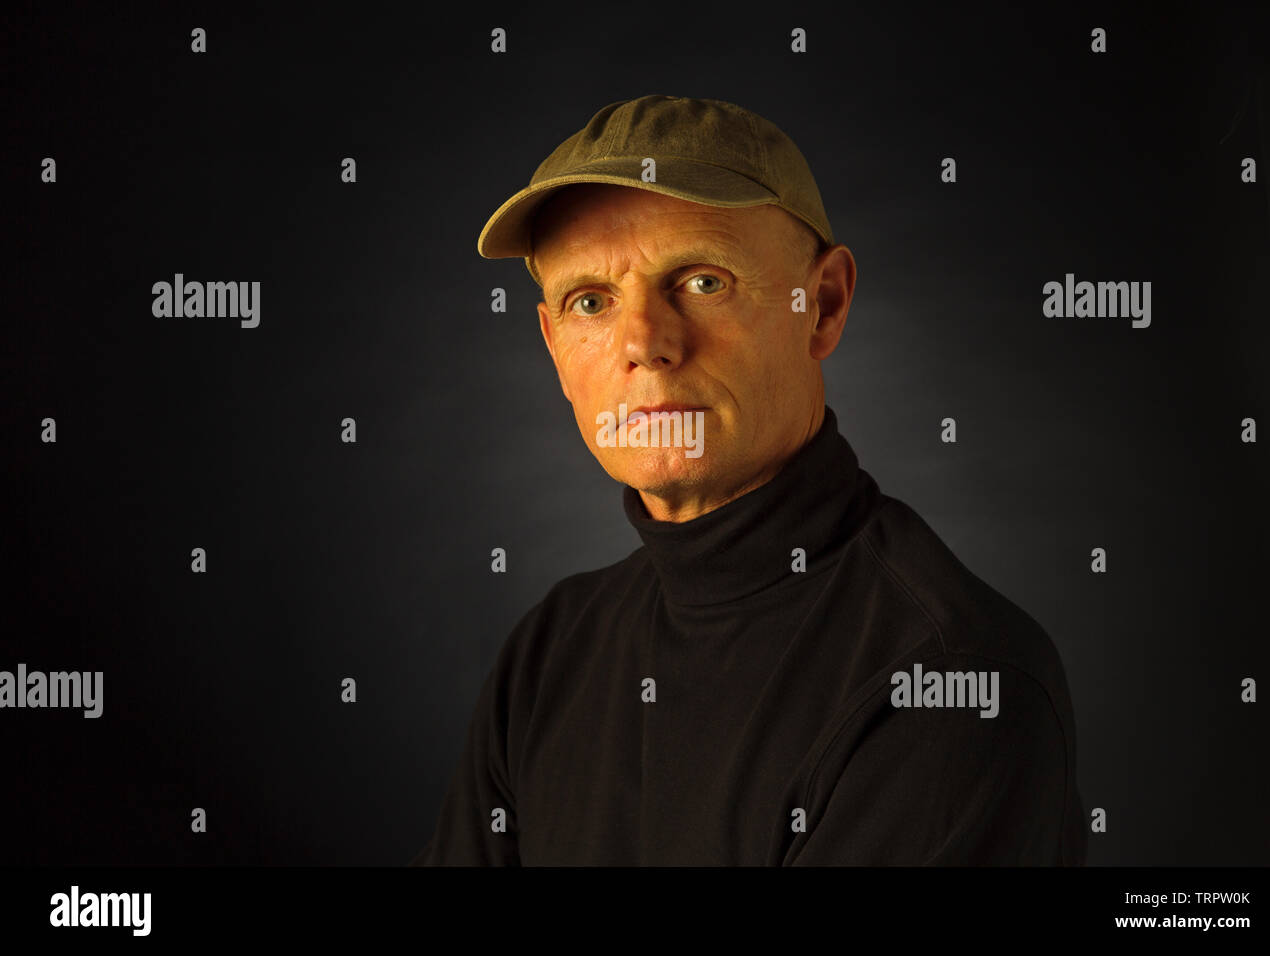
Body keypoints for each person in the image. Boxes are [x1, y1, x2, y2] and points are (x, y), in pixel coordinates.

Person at [411, 94, 1088, 865]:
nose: (645, 344)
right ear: (554, 347)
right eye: (590, 302)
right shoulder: (549, 653)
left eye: (703, 282)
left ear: (823, 307)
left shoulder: (950, 679)